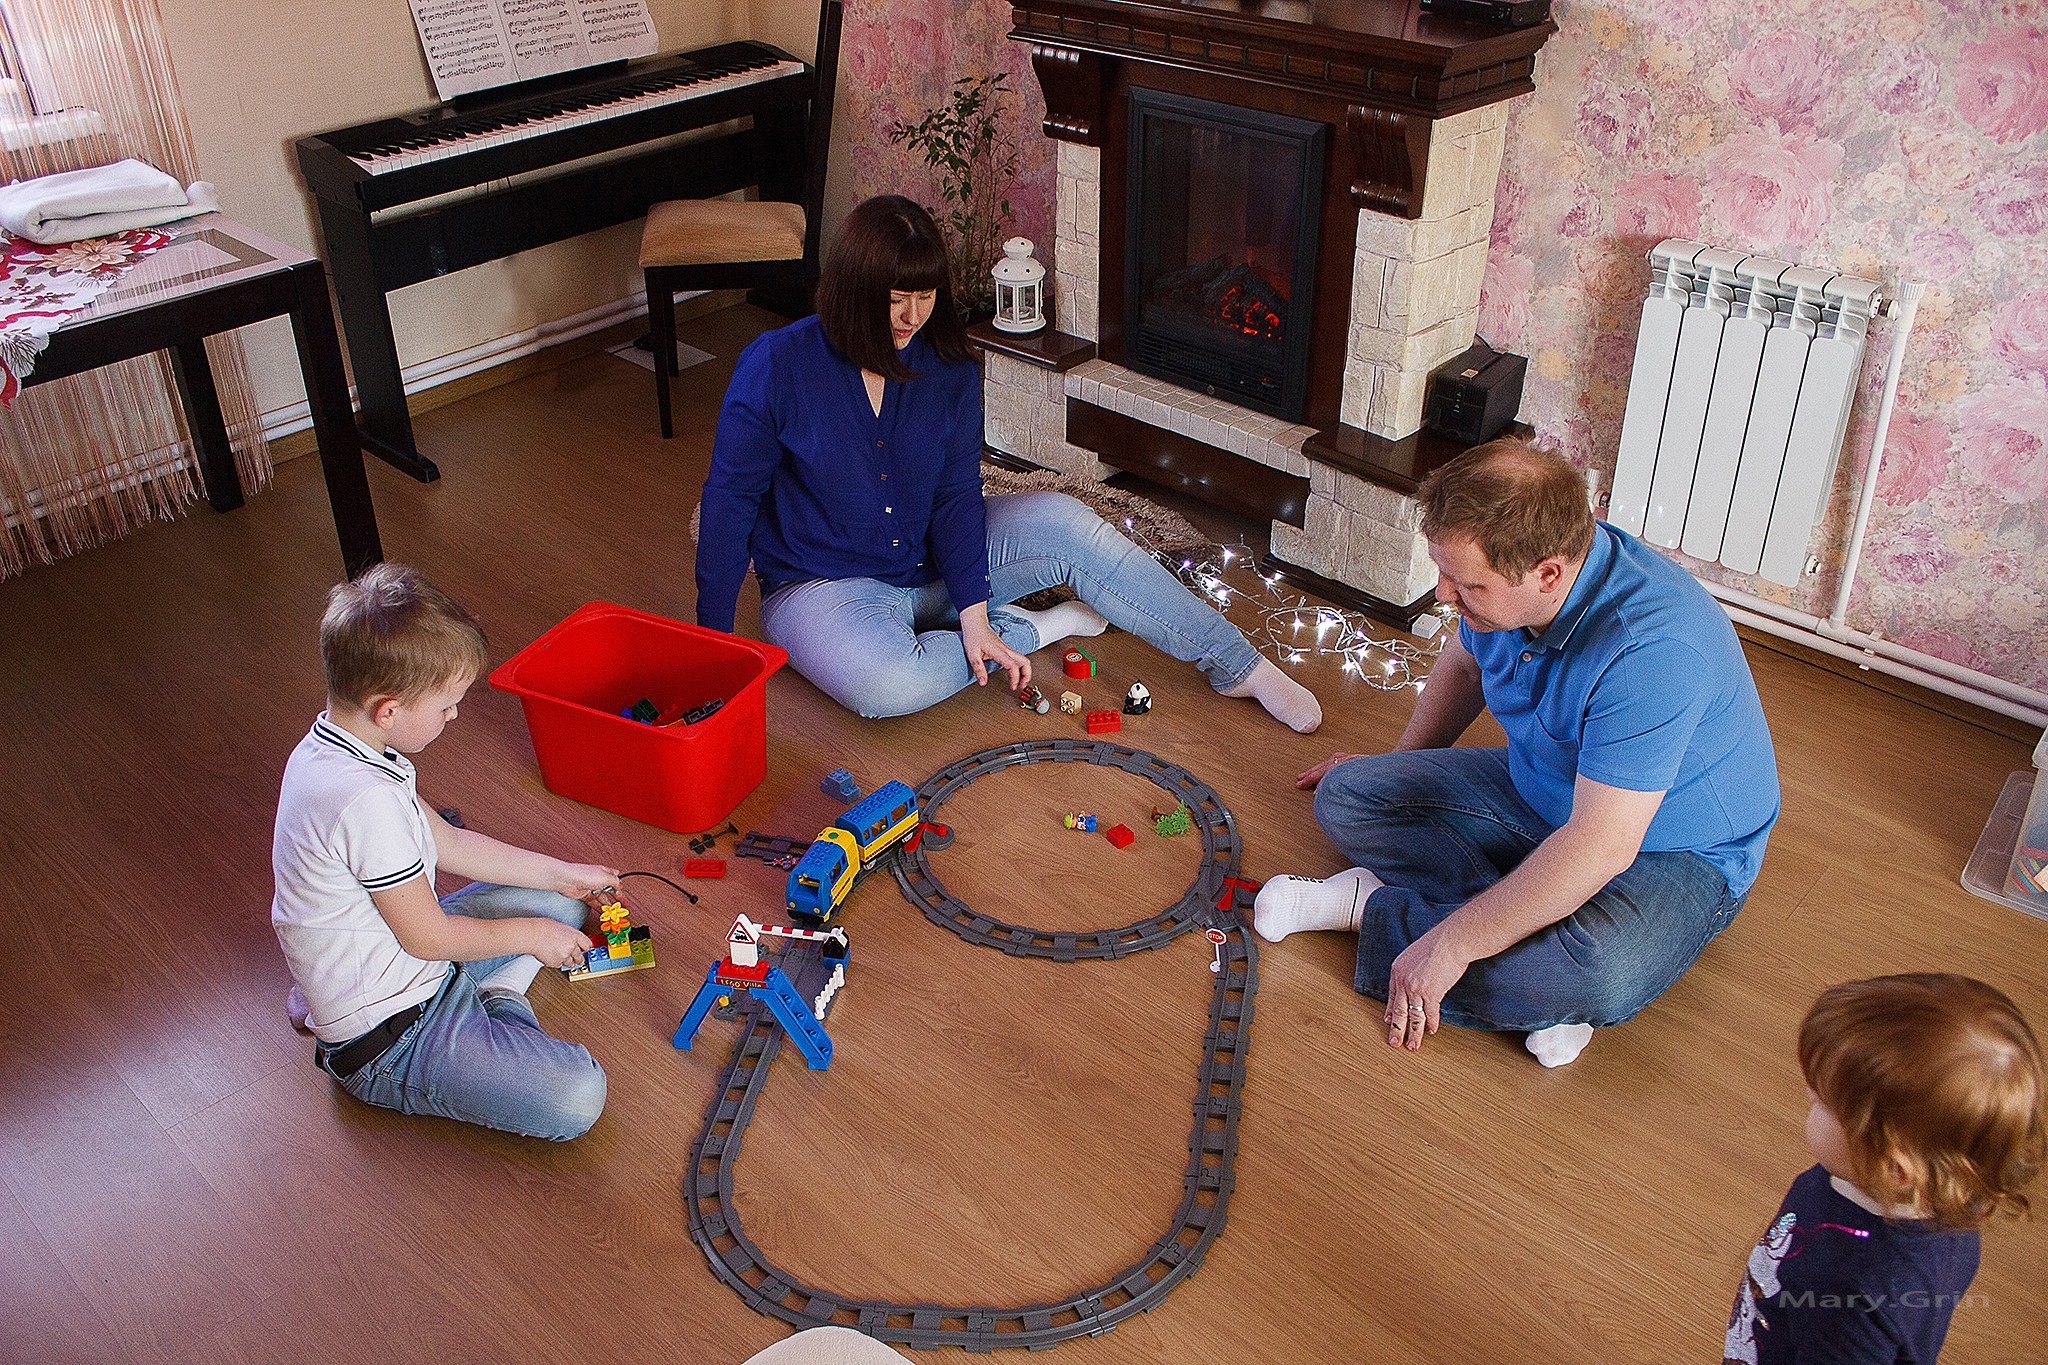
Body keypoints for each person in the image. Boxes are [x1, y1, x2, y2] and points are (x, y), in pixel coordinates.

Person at [693, 194, 1320, 732]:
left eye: (927, 295)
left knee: (1070, 523)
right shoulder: (776, 365)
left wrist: (968, 608)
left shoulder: (950, 367)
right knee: (884, 687)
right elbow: (730, 504)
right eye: (895, 299)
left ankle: (1239, 666)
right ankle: (1032, 630)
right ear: (853, 292)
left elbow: (957, 495)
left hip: (932, 561)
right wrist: (713, 649)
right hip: (825, 586)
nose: (915, 316)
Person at [1253, 436, 1779, 1067]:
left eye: (1464, 583)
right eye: (1443, 572)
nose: (1443, 595)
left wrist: (1450, 947)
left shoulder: (1655, 653)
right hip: (1544, 790)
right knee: (1349, 794)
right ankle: (1521, 944)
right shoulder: (1510, 583)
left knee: (1598, 977)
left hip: (1672, 848)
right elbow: (1464, 667)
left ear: (1548, 574)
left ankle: (1368, 909)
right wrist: (1394, 769)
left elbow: (1602, 845)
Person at [272, 563, 613, 1140]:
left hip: (400, 951)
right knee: (577, 1094)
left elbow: (449, 842)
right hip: (393, 1033)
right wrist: (530, 938)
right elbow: (427, 938)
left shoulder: (342, 747)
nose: (455, 716)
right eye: (448, 705)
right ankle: (499, 995)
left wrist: (563, 874)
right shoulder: (363, 803)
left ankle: (332, 990)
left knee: (560, 903)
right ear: (390, 710)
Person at [1725, 974, 2044, 1363]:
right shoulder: (1954, 1217)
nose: (1806, 1097)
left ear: (1894, 1168)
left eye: (1820, 1103)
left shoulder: (1846, 1294)